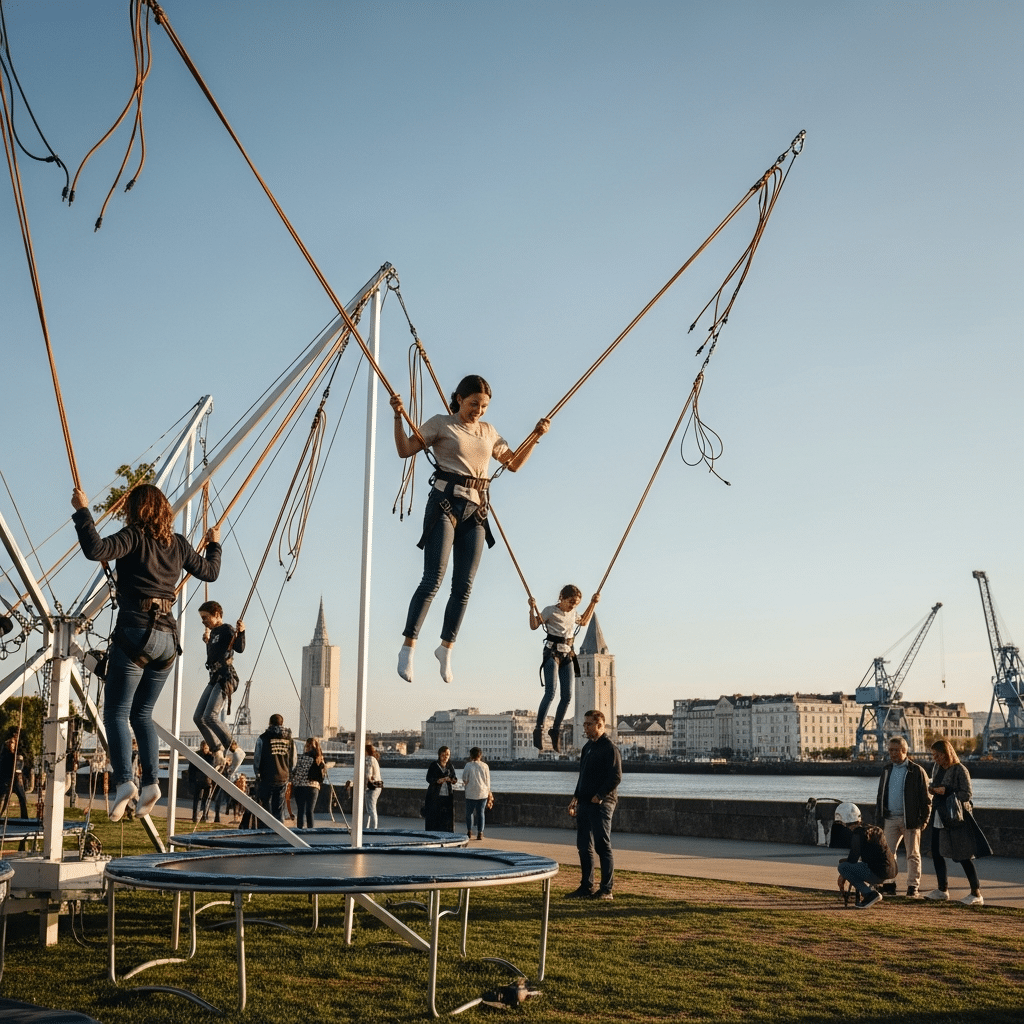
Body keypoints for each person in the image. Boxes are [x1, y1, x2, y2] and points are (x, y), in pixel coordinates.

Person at [72, 483, 221, 821]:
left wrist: (83, 512)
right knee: (141, 715)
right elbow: (211, 571)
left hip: (137, 632)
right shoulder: (178, 544)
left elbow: (95, 549)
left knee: (115, 713)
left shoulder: (134, 536)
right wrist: (214, 544)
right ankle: (152, 782)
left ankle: (126, 780)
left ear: (136, 510)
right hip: (168, 640)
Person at [390, 375, 549, 684]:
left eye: (485, 406)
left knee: (463, 587)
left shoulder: (488, 432)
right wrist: (398, 417)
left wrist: (535, 435)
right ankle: (408, 648)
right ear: (459, 399)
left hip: (476, 509)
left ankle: (446, 649)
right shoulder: (441, 424)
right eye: (474, 403)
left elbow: (513, 463)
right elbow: (405, 449)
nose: (479, 410)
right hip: (445, 503)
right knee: (433, 579)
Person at [529, 585, 599, 752]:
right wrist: (531, 609)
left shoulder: (573, 613)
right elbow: (534, 626)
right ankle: (538, 729)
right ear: (562, 598)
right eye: (571, 602)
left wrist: (593, 603)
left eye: (576, 603)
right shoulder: (549, 611)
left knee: (567, 695)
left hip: (567, 654)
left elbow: (583, 621)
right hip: (552, 653)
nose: (573, 606)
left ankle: (555, 730)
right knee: (550, 692)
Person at [925, 738, 992, 905]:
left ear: (947, 753)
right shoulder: (937, 768)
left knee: (963, 854)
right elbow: (934, 786)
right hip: (939, 815)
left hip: (956, 818)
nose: (935, 758)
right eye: (933, 755)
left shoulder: (960, 769)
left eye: (938, 755)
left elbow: (967, 794)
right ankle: (942, 889)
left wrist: (946, 791)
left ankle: (976, 893)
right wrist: (932, 789)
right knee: (936, 852)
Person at [567, 709, 622, 900]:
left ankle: (606, 889)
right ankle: (586, 886)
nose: (585, 727)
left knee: (602, 845)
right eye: (584, 724)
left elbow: (616, 776)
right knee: (584, 846)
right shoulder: (587, 747)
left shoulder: (610, 748)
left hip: (602, 804)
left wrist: (599, 795)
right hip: (584, 802)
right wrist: (575, 797)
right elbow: (582, 775)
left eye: (589, 724)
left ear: (600, 725)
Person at [874, 736, 931, 898]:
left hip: (910, 820)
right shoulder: (886, 770)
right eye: (890, 750)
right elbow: (880, 795)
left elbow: (926, 798)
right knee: (888, 853)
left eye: (895, 750)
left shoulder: (916, 771)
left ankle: (913, 885)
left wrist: (924, 819)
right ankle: (890, 883)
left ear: (904, 751)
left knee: (912, 854)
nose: (892, 753)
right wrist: (880, 815)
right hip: (890, 818)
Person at [193, 600, 245, 761]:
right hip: (215, 677)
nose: (203, 621)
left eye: (205, 617)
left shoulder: (226, 629)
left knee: (210, 716)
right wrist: (208, 642)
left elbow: (239, 648)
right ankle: (217, 751)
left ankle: (235, 749)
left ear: (216, 615)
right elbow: (213, 656)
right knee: (198, 717)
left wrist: (241, 632)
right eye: (202, 618)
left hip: (226, 676)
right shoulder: (213, 633)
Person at [835, 802, 897, 909]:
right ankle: (868, 892)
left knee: (842, 867)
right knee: (853, 865)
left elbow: (852, 860)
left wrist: (842, 875)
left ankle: (869, 894)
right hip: (892, 870)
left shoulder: (857, 834)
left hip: (878, 873)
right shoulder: (875, 829)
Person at [253, 714, 296, 823]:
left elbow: (257, 758)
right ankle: (279, 831)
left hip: (266, 776)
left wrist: (257, 772)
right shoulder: (289, 739)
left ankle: (264, 829)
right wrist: (289, 772)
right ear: (282, 723)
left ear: (270, 723)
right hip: (282, 777)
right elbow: (294, 759)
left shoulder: (263, 738)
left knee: (265, 806)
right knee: (279, 808)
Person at [291, 737, 325, 829]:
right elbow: (322, 775)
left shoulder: (302, 757)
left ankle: (300, 831)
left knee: (300, 810)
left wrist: (293, 781)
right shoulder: (320, 758)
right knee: (310, 811)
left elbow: (296, 773)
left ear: (307, 746)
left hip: (300, 787)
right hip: (313, 787)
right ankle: (311, 831)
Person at [423, 745, 458, 832]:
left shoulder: (450, 766)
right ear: (439, 755)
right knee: (434, 815)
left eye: (448, 754)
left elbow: (454, 778)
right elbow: (428, 778)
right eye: (444, 754)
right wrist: (438, 781)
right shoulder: (434, 765)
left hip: (447, 795)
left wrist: (450, 780)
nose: (446, 757)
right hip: (435, 795)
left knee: (447, 816)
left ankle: (447, 833)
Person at [212, 740, 245, 824]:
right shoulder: (228, 754)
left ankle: (235, 816)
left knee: (234, 800)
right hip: (224, 780)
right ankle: (217, 816)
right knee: (219, 799)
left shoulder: (236, 754)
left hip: (230, 780)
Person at [462, 747, 492, 840]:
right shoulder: (485, 766)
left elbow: (464, 779)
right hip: (483, 793)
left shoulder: (468, 765)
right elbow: (488, 781)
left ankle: (469, 831)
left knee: (469, 813)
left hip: (471, 793)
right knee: (481, 813)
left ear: (471, 756)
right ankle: (480, 832)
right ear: (480, 755)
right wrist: (489, 793)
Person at [0, 728, 29, 818]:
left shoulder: (18, 753)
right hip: (6, 778)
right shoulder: (5, 754)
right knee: (3, 798)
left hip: (17, 779)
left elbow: (22, 766)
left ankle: (24, 818)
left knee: (22, 798)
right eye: (9, 743)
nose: (10, 745)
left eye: (12, 743)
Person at [189, 740, 216, 822]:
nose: (204, 750)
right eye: (203, 748)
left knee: (205, 799)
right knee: (198, 799)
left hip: (206, 780)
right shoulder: (209, 756)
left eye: (206, 748)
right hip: (202, 779)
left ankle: (204, 815)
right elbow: (192, 768)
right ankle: (195, 816)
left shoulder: (208, 756)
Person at [364, 742, 383, 830]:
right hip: (378, 786)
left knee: (371, 809)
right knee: (371, 809)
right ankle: (369, 828)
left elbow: (368, 774)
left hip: (372, 787)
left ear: (366, 751)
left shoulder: (369, 759)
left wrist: (365, 784)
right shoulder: (374, 759)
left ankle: (373, 829)